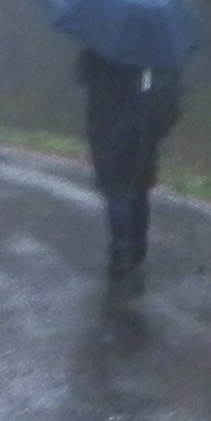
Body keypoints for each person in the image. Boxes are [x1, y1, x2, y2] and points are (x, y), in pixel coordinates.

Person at [78, 46, 181, 280]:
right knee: (138, 190)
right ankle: (136, 249)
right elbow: (168, 100)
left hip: (109, 131)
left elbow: (82, 75)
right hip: (143, 134)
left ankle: (121, 251)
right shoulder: (154, 55)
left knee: (117, 191)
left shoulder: (102, 47)